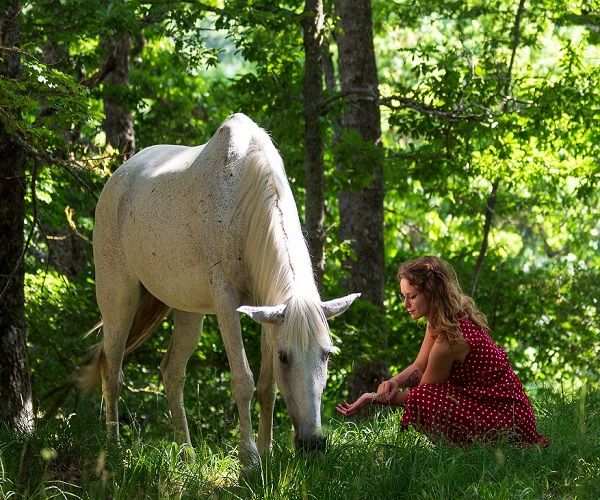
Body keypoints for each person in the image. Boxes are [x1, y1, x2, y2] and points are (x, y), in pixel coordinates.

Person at [336, 256, 548, 446]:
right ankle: (469, 449)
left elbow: (421, 394)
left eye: (412, 296)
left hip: (508, 419)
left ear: (431, 293)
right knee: (428, 397)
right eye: (403, 296)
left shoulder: (448, 341)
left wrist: (372, 397)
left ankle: (475, 451)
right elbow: (419, 366)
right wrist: (395, 381)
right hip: (497, 407)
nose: (405, 305)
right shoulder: (443, 317)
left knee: (426, 402)